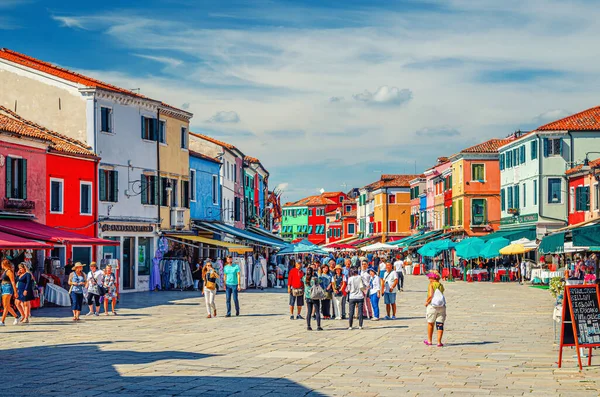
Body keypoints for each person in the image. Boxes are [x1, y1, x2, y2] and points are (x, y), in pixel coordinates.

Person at [424, 272, 446, 347]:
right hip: (441, 306)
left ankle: (429, 341)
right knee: (440, 324)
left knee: (430, 323)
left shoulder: (431, 285)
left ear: (433, 278)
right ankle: (439, 342)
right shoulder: (441, 285)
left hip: (432, 306)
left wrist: (426, 302)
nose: (428, 278)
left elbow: (430, 295)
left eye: (429, 277)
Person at [303, 267, 323, 331]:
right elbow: (320, 281)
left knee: (309, 311)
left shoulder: (304, 278)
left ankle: (308, 326)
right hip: (314, 296)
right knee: (317, 311)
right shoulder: (314, 278)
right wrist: (319, 274)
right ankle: (318, 326)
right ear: (312, 272)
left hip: (308, 296)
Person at [1, 260, 20, 326]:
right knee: (6, 305)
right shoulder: (5, 271)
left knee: (6, 306)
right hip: (4, 287)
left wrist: (15, 292)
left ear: (4, 264)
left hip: (8, 287)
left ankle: (2, 321)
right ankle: (16, 317)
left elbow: (13, 282)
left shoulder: (9, 271)